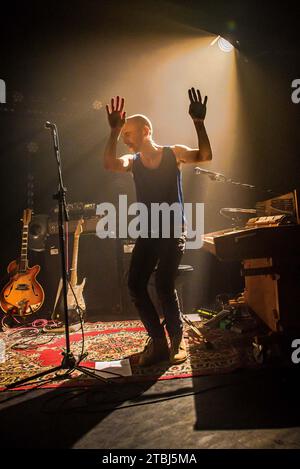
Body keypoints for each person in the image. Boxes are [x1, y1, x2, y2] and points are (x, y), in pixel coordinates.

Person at [104, 88, 212, 366]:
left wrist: (199, 124)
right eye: (123, 134)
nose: (125, 139)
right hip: (149, 231)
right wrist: (114, 131)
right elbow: (109, 163)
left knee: (164, 284)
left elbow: (205, 155)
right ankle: (158, 341)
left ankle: (178, 342)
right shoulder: (134, 161)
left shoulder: (172, 153)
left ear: (146, 131)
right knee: (135, 284)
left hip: (174, 229)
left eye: (129, 133)